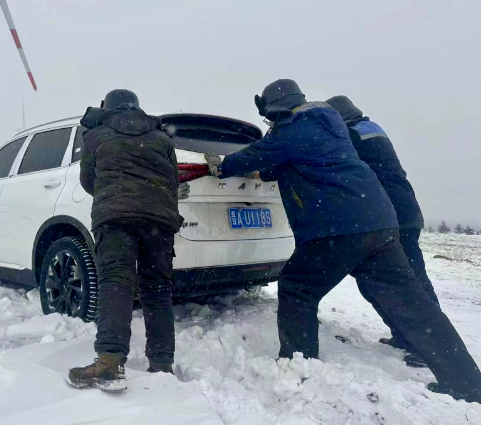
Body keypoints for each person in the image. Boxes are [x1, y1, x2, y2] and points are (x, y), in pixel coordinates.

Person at [205, 79, 481, 402]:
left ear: (276, 110)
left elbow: (258, 154)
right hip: (379, 223)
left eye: (268, 119)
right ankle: (468, 382)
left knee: (297, 287)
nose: (269, 125)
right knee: (416, 307)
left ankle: (300, 365)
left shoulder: (291, 129)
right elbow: (296, 160)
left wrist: (223, 165)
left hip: (337, 230)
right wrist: (264, 173)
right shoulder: (329, 124)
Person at [67, 89, 185, 392]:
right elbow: (173, 178)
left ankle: (109, 363)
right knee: (158, 289)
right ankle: (162, 364)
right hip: (160, 220)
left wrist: (117, 194)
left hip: (116, 217)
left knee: (116, 282)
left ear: (108, 108)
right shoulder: (161, 138)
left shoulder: (96, 134)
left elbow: (88, 181)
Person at [326, 95, 436, 366]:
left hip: (392, 216)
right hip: (402, 213)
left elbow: (327, 158)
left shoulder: (353, 136)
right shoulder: (371, 129)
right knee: (391, 280)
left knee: (412, 282)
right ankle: (407, 337)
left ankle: (428, 347)